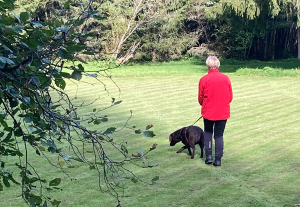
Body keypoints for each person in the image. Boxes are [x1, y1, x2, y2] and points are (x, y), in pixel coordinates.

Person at [198, 56, 233, 166]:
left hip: (208, 112)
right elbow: (230, 96)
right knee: (219, 136)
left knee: (208, 133)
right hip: (222, 112)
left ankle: (209, 156)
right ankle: (218, 159)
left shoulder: (204, 79)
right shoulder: (226, 78)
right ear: (218, 64)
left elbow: (200, 98)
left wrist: (205, 105)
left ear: (207, 65)